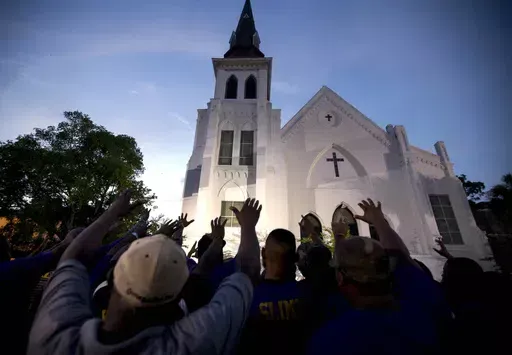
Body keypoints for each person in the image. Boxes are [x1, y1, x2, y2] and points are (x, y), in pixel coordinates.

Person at [28, 193, 262, 354]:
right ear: (180, 295)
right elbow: (247, 272)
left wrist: (111, 213)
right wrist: (248, 227)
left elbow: (72, 258)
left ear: (112, 275)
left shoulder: (54, 339)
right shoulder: (196, 343)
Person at [308, 198, 451, 355]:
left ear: (340, 279)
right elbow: (402, 257)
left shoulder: (331, 339)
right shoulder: (423, 305)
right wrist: (379, 221)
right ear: (389, 268)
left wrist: (339, 237)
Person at [238, 228, 304, 355]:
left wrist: (248, 227)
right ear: (294, 258)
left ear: (263, 253)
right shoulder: (308, 293)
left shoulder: (248, 297)